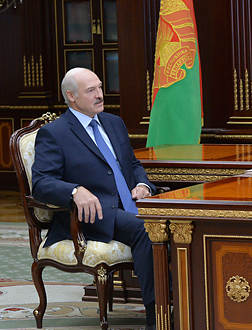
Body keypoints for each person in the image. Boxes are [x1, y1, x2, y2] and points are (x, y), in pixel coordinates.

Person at [32, 67, 158, 330]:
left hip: (127, 205)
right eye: (91, 91)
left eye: (100, 87)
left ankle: (183, 300)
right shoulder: (55, 133)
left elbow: (133, 164)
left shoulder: (114, 123)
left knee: (177, 222)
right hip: (90, 215)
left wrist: (143, 184)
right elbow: (41, 183)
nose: (100, 94)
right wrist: (75, 191)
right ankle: (156, 315)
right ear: (72, 96)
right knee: (147, 228)